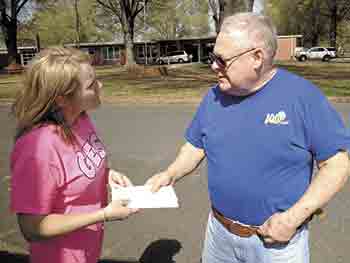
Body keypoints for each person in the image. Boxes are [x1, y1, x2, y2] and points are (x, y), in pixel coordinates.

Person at [146, 12, 349, 263]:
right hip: (219, 237)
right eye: (213, 57)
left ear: (257, 57)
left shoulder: (303, 98)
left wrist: (293, 218)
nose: (213, 66)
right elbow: (196, 145)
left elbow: (337, 165)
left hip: (277, 247)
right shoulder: (214, 97)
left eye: (221, 60)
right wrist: (170, 173)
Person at [10, 47, 139, 263]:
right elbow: (32, 227)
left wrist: (106, 174)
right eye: (91, 85)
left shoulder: (80, 119)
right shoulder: (38, 149)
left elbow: (76, 166)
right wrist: (104, 214)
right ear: (62, 99)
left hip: (88, 249)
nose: (101, 85)